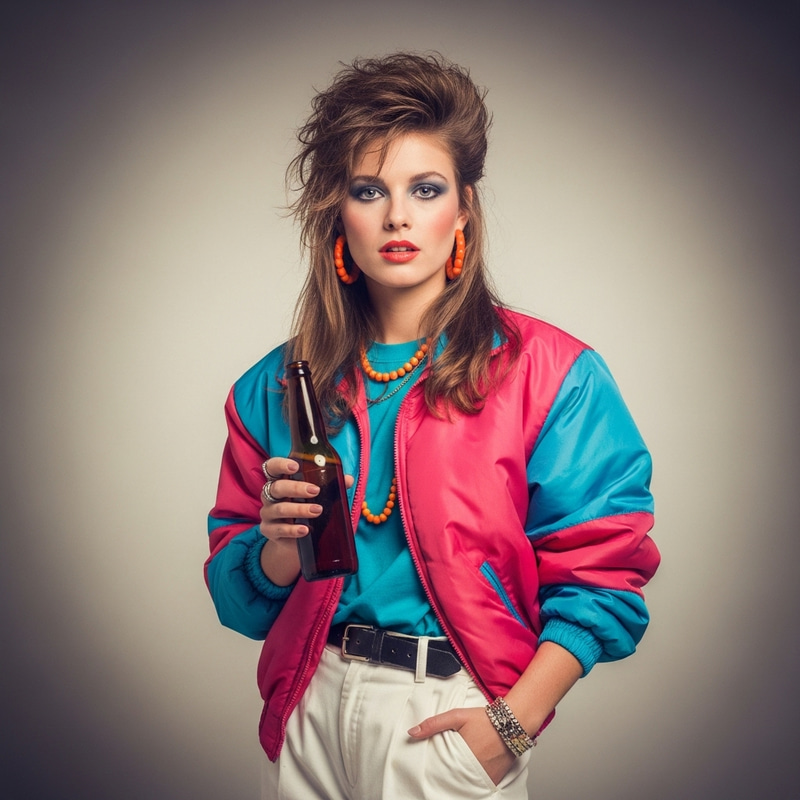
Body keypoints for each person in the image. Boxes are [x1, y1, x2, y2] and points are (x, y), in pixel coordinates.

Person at [205, 52, 660, 800]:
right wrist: (278, 548)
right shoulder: (274, 386)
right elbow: (238, 602)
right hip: (310, 706)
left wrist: (509, 726)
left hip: (449, 714)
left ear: (464, 208)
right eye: (367, 190)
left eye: (425, 189)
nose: (397, 217)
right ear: (335, 211)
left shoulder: (549, 373)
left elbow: (603, 578)